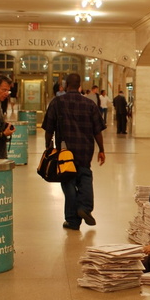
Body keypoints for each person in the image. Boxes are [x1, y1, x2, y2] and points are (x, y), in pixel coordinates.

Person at [42, 73, 106, 230]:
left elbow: (48, 128)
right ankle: (85, 208)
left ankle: (72, 221)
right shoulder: (90, 104)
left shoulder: (57, 102)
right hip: (85, 150)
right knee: (85, 177)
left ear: (65, 85)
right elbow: (98, 130)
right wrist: (102, 150)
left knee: (68, 181)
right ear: (80, 86)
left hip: (65, 151)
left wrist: (48, 146)